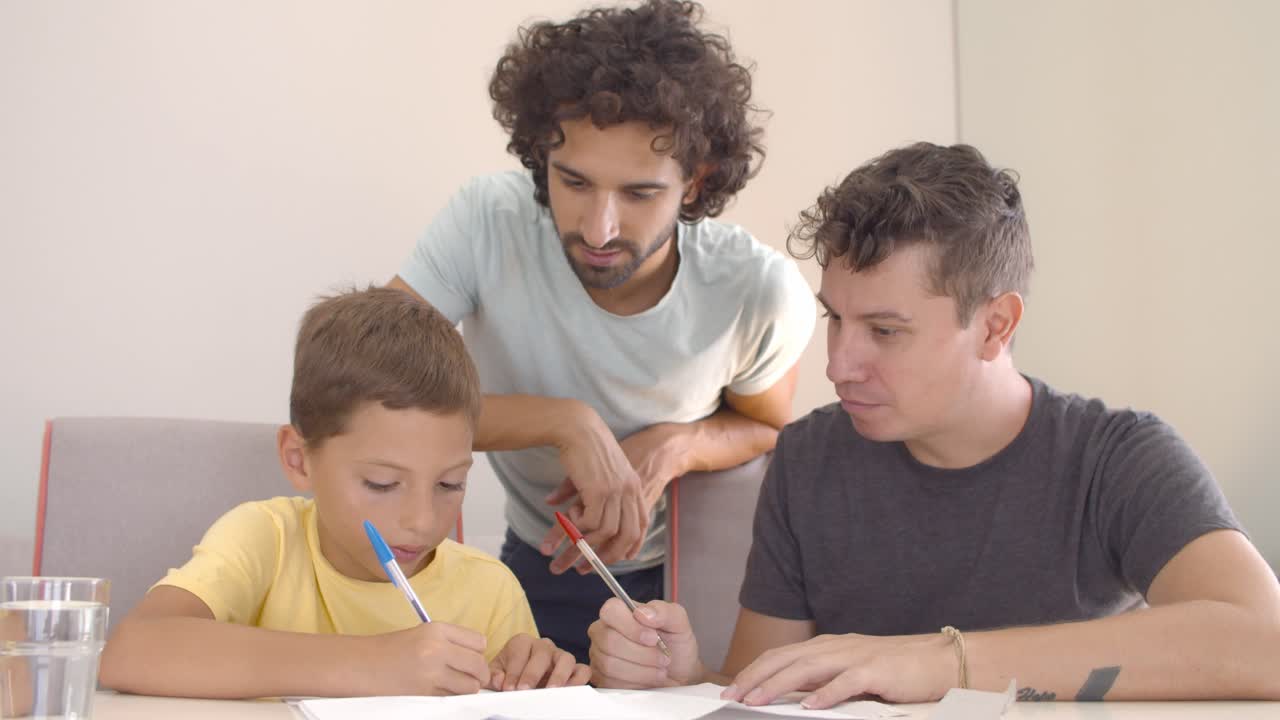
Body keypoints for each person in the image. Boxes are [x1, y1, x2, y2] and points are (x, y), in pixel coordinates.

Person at [587, 142, 1280, 703]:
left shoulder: (1119, 459)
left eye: (885, 331)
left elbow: (1264, 640)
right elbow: (765, 693)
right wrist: (680, 681)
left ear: (996, 326)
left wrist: (941, 662)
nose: (839, 366)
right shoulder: (811, 459)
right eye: (835, 318)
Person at [388, 0, 815, 662]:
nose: (598, 229)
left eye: (640, 194)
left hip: (694, 581)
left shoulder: (758, 291)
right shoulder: (485, 222)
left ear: (695, 182)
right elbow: (373, 396)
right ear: (541, 156)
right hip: (538, 560)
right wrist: (564, 422)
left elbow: (764, 425)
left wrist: (675, 446)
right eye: (574, 182)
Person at [99, 287, 590, 698]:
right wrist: (376, 663)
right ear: (299, 459)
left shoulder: (490, 591)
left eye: (449, 484)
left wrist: (537, 679)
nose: (422, 520)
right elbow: (133, 649)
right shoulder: (265, 539)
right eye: (381, 483)